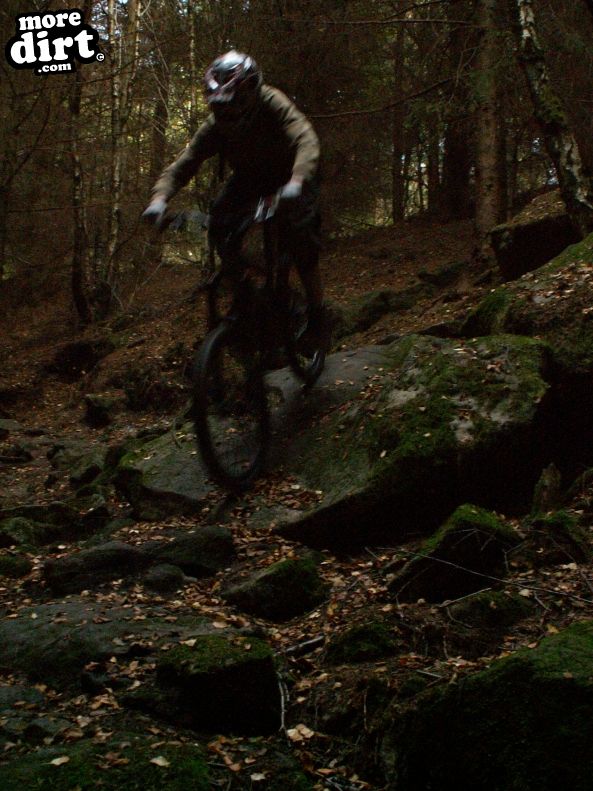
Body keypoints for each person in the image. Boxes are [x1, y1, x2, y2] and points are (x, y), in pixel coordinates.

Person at [143, 50, 328, 345]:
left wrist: (296, 181)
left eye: (233, 105)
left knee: (301, 238)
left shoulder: (272, 102)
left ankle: (318, 314)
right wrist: (159, 199)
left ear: (250, 94)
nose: (226, 114)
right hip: (250, 178)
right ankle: (244, 293)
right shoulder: (216, 125)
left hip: (292, 173)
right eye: (219, 108)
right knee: (219, 223)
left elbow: (305, 138)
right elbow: (185, 163)